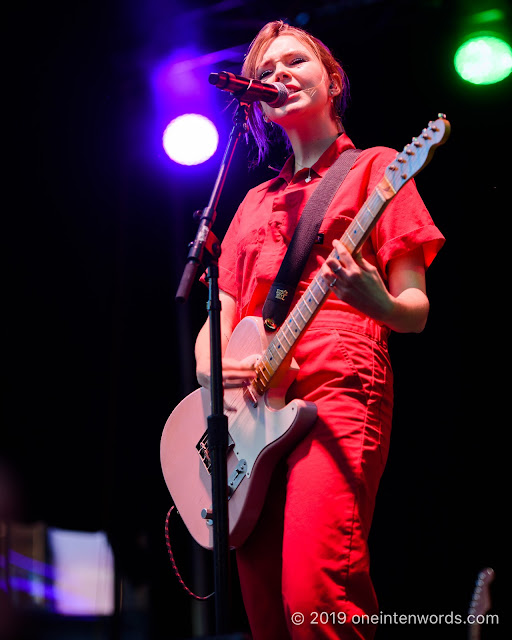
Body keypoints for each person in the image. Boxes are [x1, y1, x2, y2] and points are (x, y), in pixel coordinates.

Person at [194, 20, 445, 640]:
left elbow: (415, 309)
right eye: (266, 70)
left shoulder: (378, 170)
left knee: (316, 593)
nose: (278, 75)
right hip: (252, 415)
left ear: (331, 81)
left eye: (295, 62)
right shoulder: (253, 201)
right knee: (264, 612)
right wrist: (208, 366)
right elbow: (216, 322)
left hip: (337, 388)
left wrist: (376, 299)